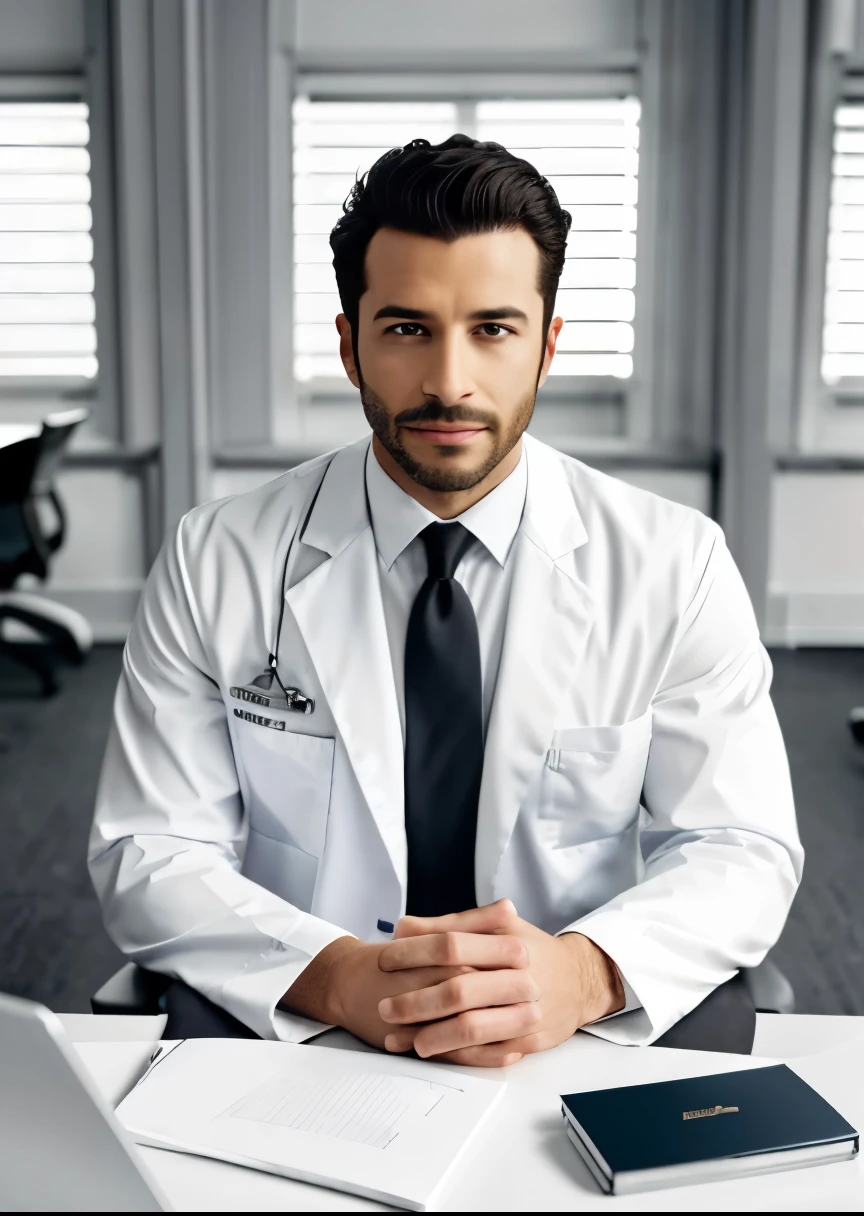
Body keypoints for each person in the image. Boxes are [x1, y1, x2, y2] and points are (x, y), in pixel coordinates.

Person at [89, 134, 802, 1063]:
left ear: (547, 346)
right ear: (350, 345)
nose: (448, 382)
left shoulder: (675, 563)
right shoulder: (215, 558)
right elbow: (148, 849)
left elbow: (741, 845)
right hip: (298, 1033)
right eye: (407, 328)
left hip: (573, 1037)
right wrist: (332, 976)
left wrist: (585, 973)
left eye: (493, 330)